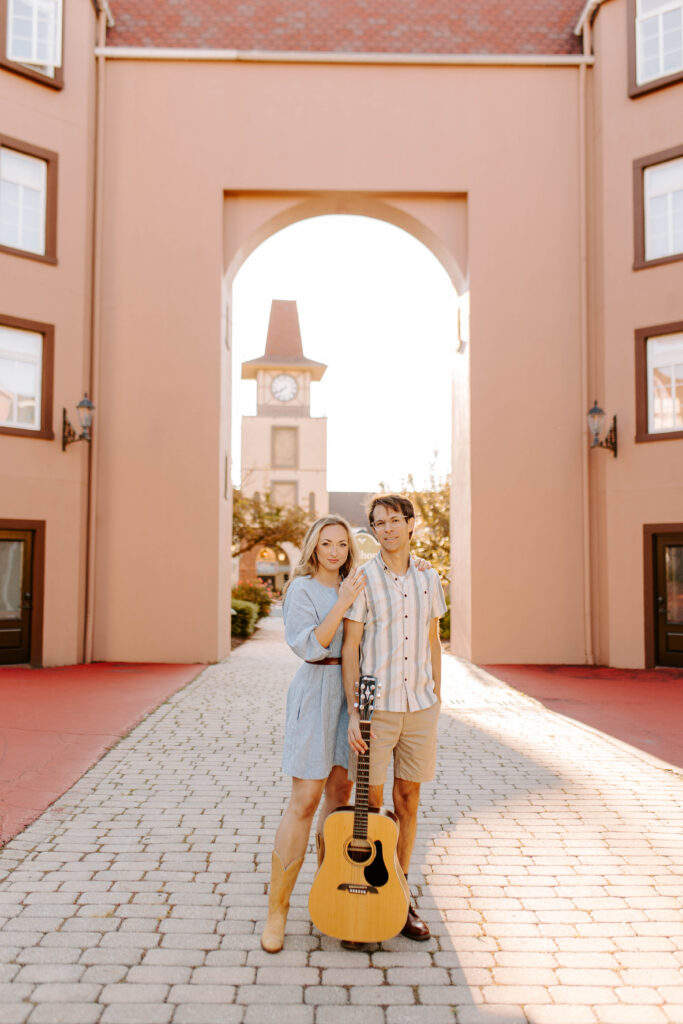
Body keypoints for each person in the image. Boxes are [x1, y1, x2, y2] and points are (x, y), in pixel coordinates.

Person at [342, 493, 447, 943]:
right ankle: (364, 895)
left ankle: (400, 898)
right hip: (376, 710)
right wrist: (353, 710)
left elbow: (433, 640)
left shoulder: (429, 577)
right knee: (369, 805)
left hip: (420, 707)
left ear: (410, 524)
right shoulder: (363, 579)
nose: (387, 529)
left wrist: (437, 696)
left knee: (408, 801)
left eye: (394, 520)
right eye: (378, 523)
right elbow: (351, 647)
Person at [261, 514, 366, 954]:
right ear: (314, 547)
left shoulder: (358, 582)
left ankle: (328, 897)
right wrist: (342, 603)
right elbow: (310, 646)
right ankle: (278, 911)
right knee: (304, 801)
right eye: (327, 544)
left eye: (342, 544)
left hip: (350, 697)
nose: (335, 551)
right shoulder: (301, 589)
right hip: (315, 691)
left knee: (339, 799)